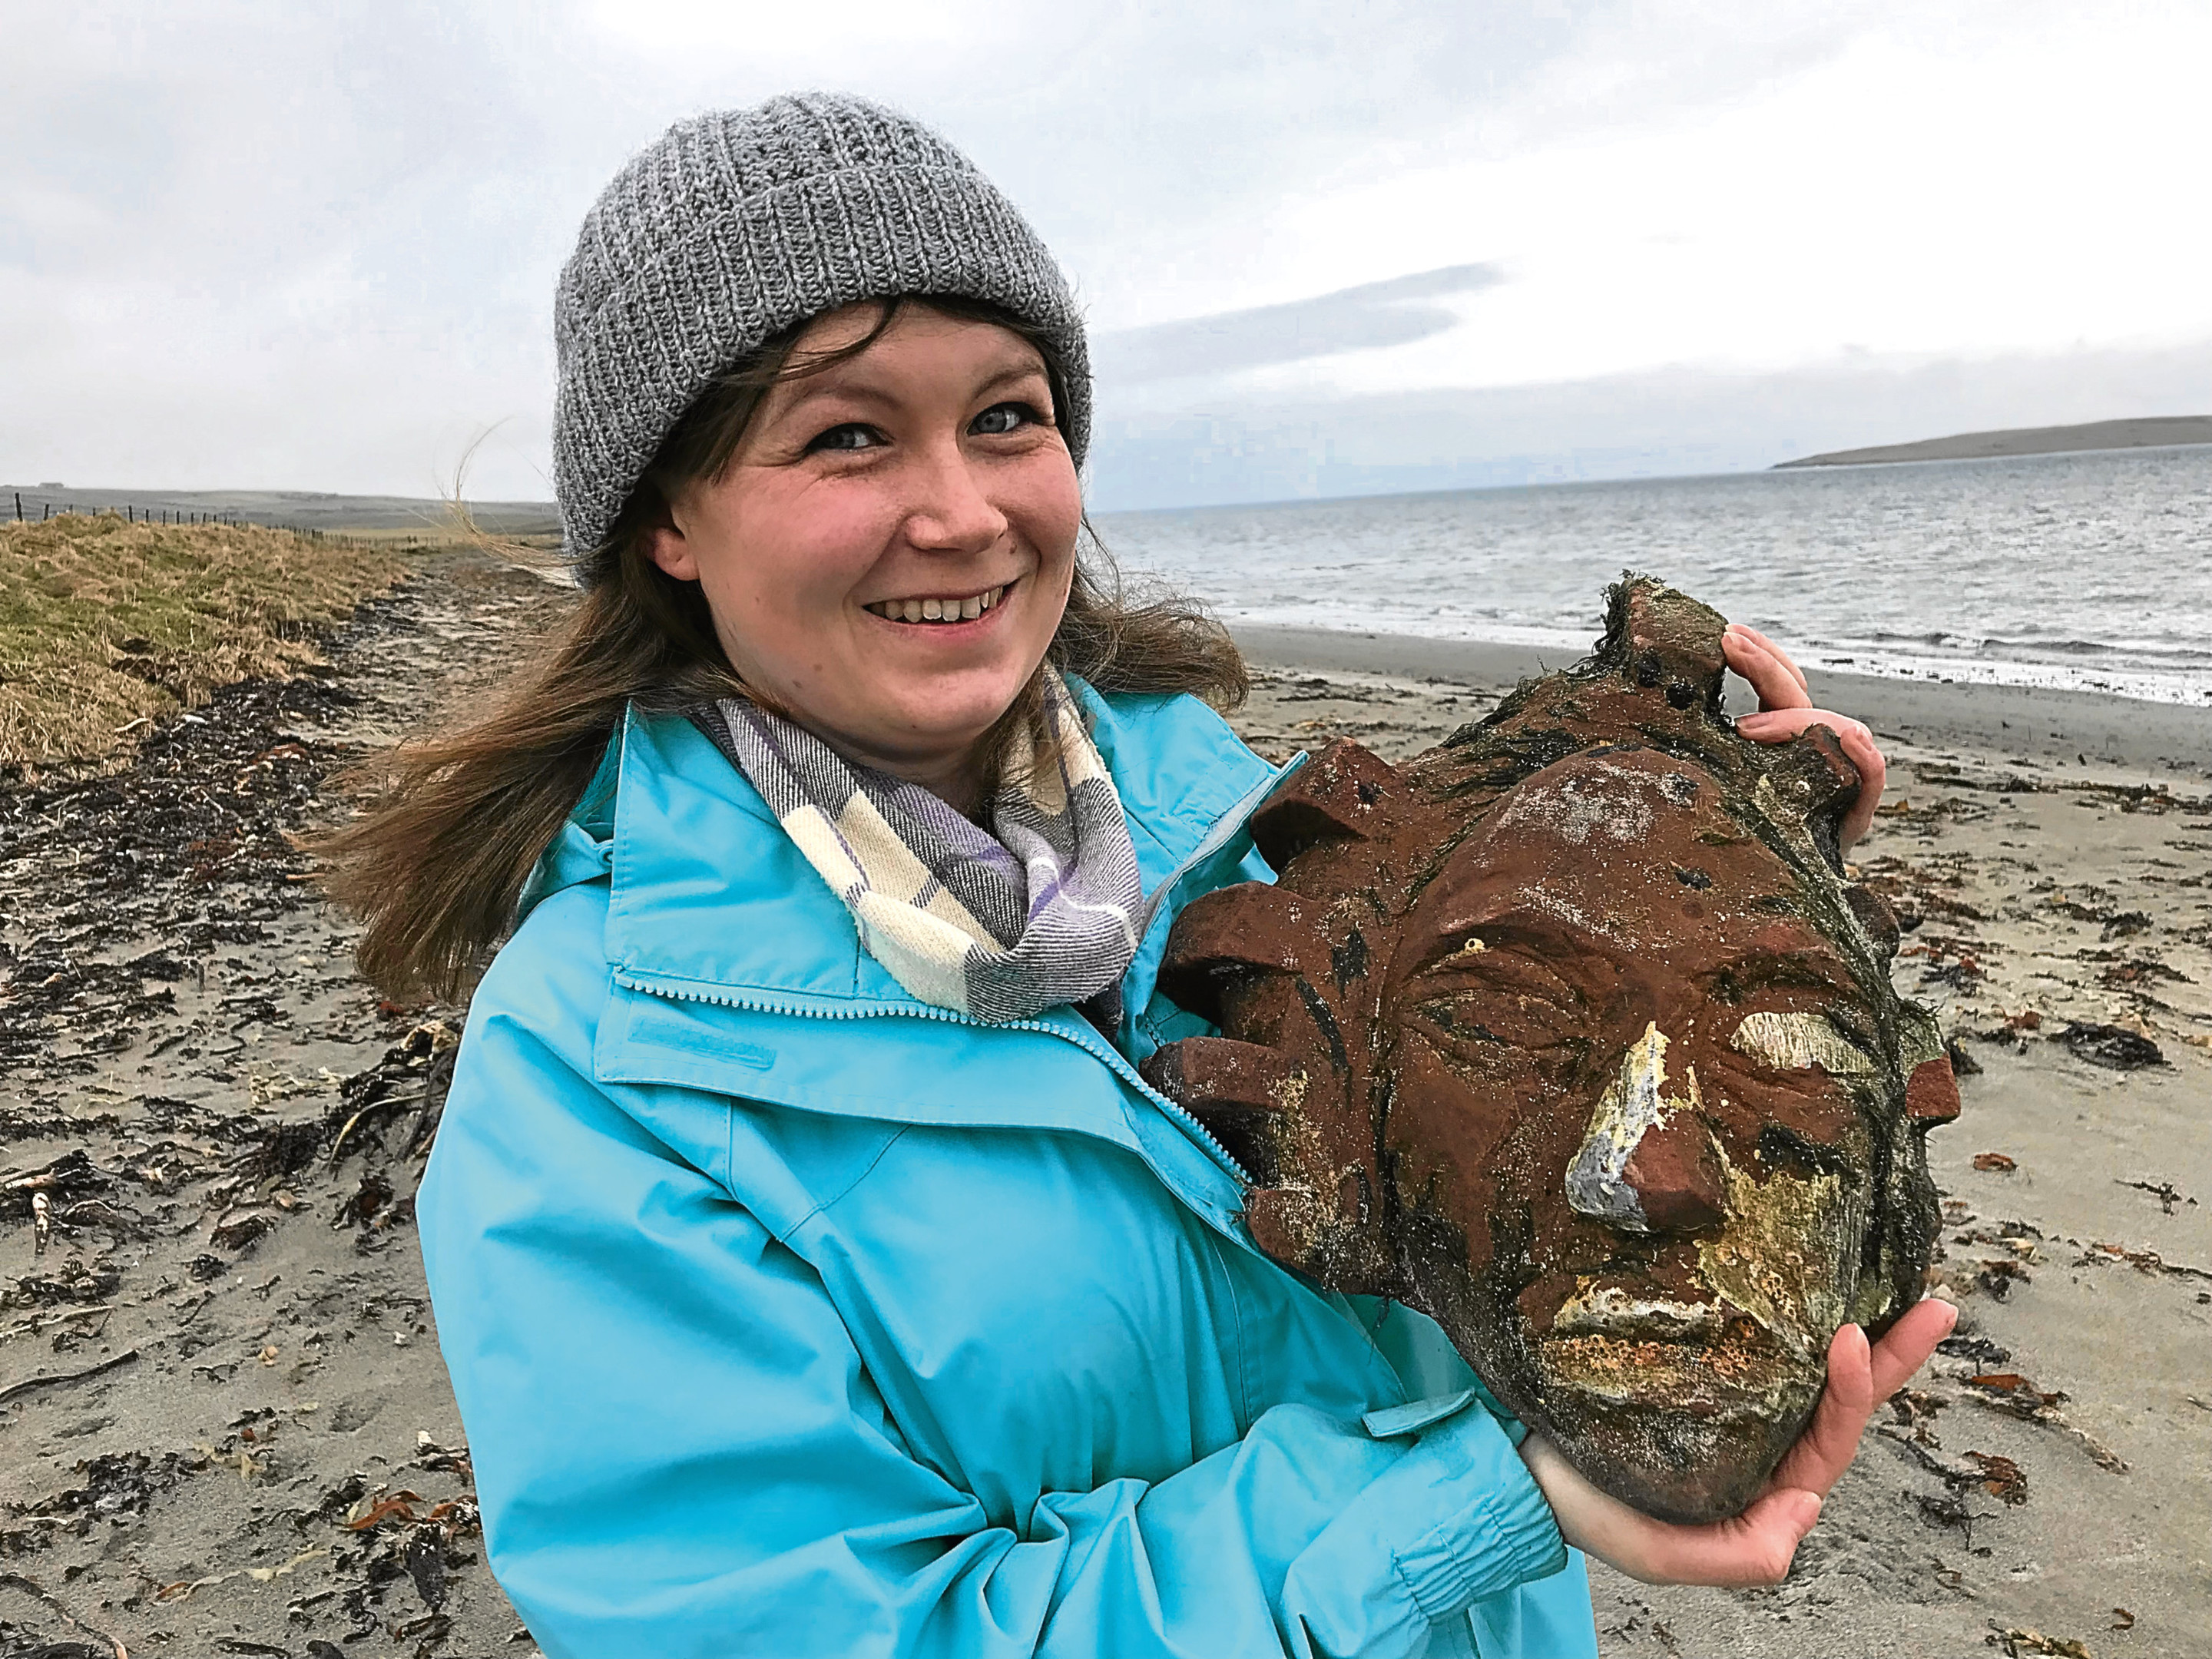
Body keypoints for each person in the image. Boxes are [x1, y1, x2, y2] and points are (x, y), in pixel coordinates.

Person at [330, 94, 1952, 1659]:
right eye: (846, 437)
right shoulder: (600, 1070)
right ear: (669, 521)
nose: (961, 514)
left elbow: (1553, 1200)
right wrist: (1484, 1497)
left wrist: (1720, 925)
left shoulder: (1260, 841)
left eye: (1006, 417)